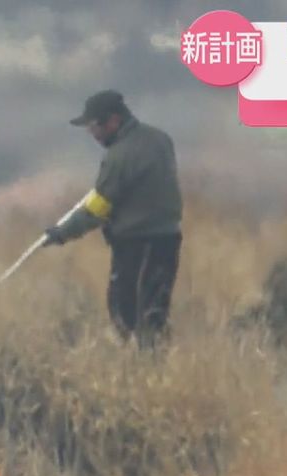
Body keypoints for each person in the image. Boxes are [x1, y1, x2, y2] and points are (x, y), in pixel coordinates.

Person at [43, 89, 184, 350]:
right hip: (169, 239)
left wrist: (61, 233)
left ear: (113, 121)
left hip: (136, 245)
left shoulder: (119, 157)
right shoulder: (160, 140)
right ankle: (158, 369)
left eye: (94, 126)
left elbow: (98, 208)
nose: (92, 134)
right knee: (155, 309)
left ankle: (141, 370)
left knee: (125, 313)